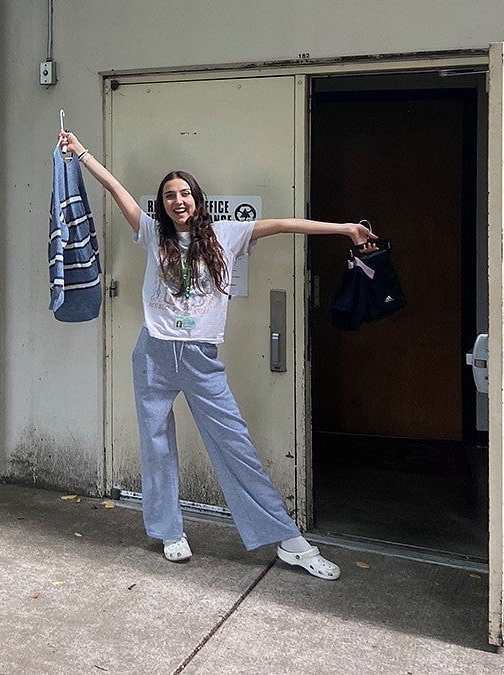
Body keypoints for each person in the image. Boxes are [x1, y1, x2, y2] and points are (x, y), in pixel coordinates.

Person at [57, 131, 376, 580]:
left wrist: (344, 229)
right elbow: (116, 190)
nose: (177, 200)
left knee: (234, 444)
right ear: (162, 204)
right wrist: (81, 152)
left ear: (196, 197)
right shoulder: (151, 234)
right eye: (169, 195)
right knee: (156, 444)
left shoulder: (227, 234)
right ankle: (170, 532)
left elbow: (285, 224)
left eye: (184, 192)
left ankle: (288, 540)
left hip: (200, 357)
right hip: (153, 352)